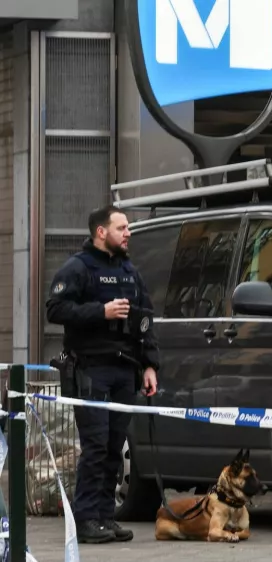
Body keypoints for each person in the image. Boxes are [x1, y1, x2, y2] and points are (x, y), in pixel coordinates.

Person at [45, 205, 159, 544]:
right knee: (95, 447)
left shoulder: (129, 271)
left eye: (128, 228)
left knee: (114, 446)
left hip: (125, 370)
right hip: (91, 368)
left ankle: (106, 518)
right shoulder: (78, 268)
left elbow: (145, 320)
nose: (128, 233)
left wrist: (150, 364)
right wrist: (102, 311)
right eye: (122, 227)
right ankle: (85, 521)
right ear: (101, 232)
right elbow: (56, 309)